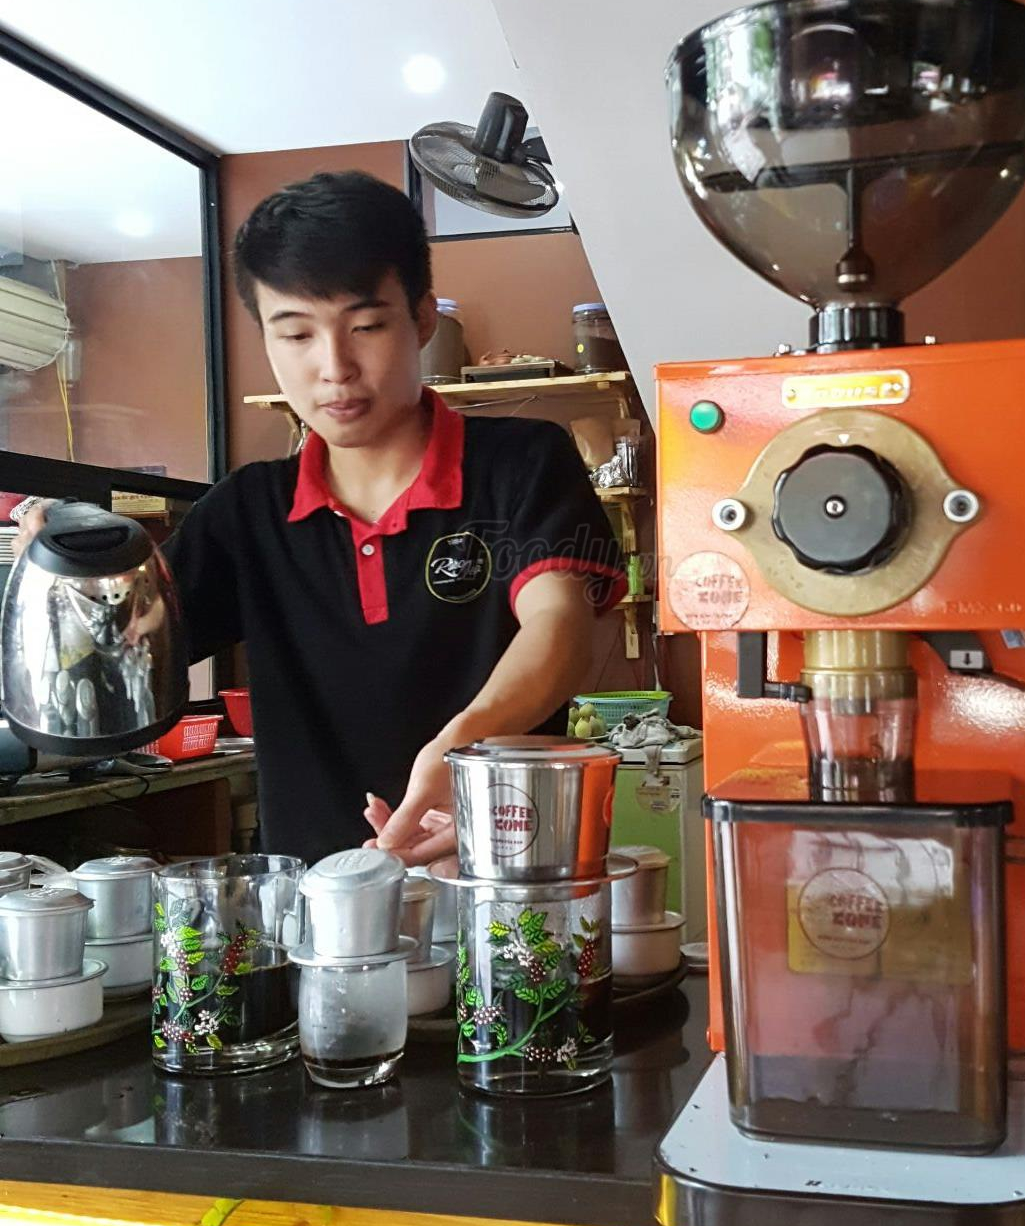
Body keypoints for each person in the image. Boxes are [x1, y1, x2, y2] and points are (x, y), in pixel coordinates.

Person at [12, 172, 626, 865]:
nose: (334, 367)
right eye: (297, 334)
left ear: (423, 319)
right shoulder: (248, 512)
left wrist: (459, 751)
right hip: (311, 902)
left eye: (366, 327)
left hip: (499, 870)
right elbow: (120, 652)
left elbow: (560, 629)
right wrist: (64, 579)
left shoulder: (522, 462)